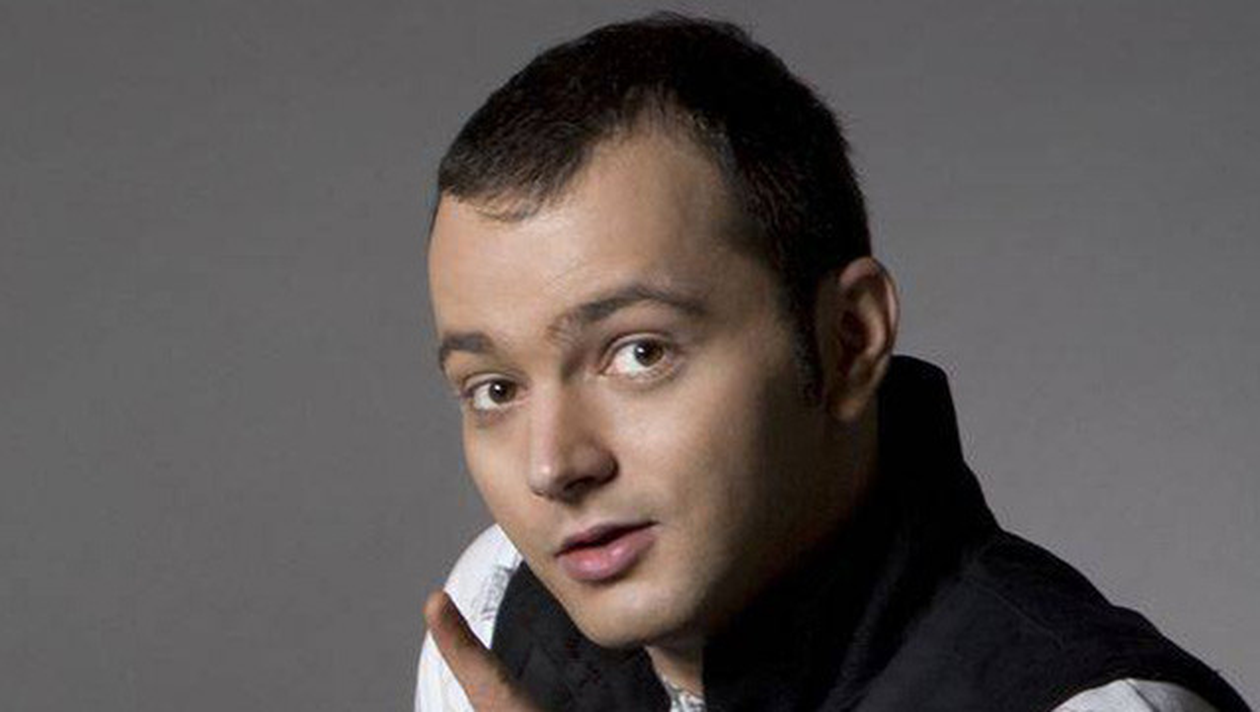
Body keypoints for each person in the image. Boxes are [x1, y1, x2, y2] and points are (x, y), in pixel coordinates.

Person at [416, 13, 1250, 712]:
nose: (553, 465)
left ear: (849, 340)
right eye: (495, 390)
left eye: (641, 353)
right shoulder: (492, 615)